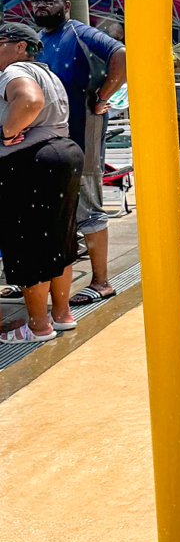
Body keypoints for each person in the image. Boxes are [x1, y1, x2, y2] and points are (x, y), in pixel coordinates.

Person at [31, 0, 127, 307]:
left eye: (49, 0)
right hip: (47, 142)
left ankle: (101, 282)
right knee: (57, 212)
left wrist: (103, 98)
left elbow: (122, 56)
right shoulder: (38, 39)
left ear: (66, 4)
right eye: (37, 1)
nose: (42, 5)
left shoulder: (81, 33)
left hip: (81, 133)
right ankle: (44, 277)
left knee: (88, 208)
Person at [0, 23, 84, 343]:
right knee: (59, 240)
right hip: (63, 153)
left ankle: (37, 326)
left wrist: (7, 131)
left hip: (30, 160)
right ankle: (61, 315)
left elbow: (29, 101)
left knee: (28, 242)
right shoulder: (47, 73)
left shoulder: (14, 70)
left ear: (20, 46)